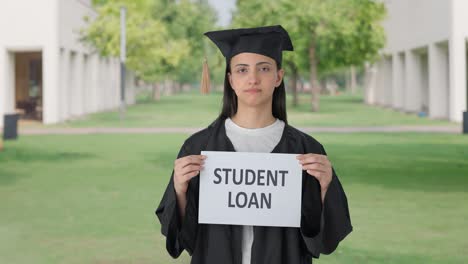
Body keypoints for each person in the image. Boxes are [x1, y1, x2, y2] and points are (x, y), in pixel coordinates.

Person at [156, 25, 352, 264]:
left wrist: (324, 188)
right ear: (231, 80)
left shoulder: (304, 150)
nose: (252, 78)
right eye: (242, 70)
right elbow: (183, 241)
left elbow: (323, 242)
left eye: (264, 68)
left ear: (278, 77)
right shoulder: (199, 147)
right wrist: (180, 191)